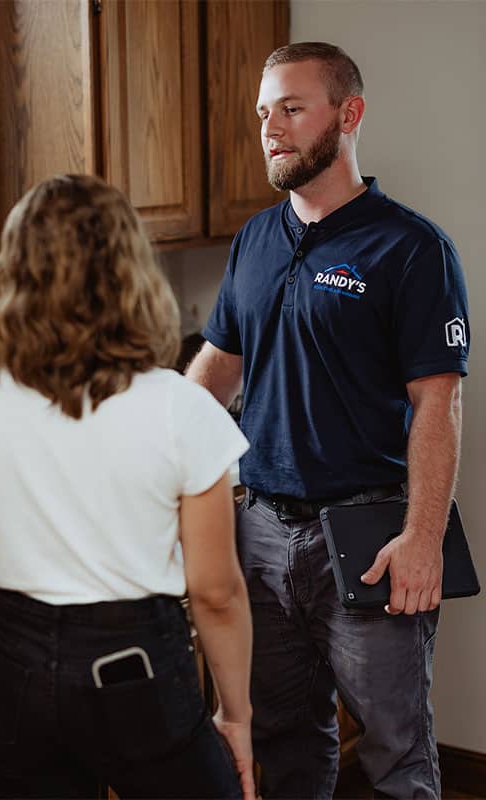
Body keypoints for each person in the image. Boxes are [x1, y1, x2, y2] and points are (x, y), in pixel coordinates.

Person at [187, 42, 469, 799]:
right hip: (260, 533)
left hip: (370, 538)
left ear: (349, 115)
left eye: (291, 107)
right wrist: (144, 452)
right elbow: (216, 368)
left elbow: (438, 405)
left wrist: (423, 536)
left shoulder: (411, 249)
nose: (270, 128)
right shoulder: (254, 239)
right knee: (281, 744)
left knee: (396, 756)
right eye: (261, 113)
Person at [0, 174, 255, 799]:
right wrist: (235, 718)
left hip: (15, 674)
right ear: (131, 274)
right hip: (136, 669)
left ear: (15, 277)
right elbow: (216, 592)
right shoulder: (179, 407)